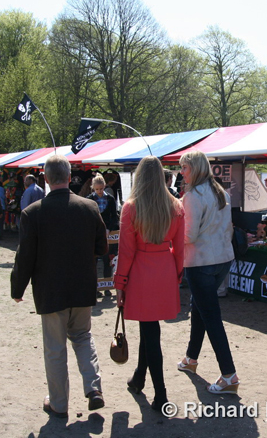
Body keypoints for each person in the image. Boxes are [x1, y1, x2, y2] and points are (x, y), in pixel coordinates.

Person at [11, 155, 108, 418]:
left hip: (51, 290)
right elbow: (102, 247)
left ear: (45, 178)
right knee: (82, 336)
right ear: (69, 177)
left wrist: (17, 289)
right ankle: (93, 387)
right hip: (81, 287)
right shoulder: (89, 207)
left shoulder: (33, 213)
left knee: (55, 347)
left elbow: (25, 256)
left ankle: (58, 403)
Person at [114, 156, 184, 413]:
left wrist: (120, 283)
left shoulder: (131, 207)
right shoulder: (176, 205)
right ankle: (139, 378)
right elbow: (179, 250)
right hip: (164, 269)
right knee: (149, 327)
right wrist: (176, 274)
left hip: (142, 271)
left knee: (150, 331)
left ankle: (161, 394)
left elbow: (126, 252)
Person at [177, 151, 239, 395]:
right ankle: (191, 359)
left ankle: (229, 374)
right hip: (222, 259)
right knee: (200, 308)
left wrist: (169, 240)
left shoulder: (193, 195)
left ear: (196, 168)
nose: (181, 172)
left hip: (201, 262)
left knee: (210, 316)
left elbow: (188, 236)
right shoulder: (219, 191)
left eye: (184, 168)